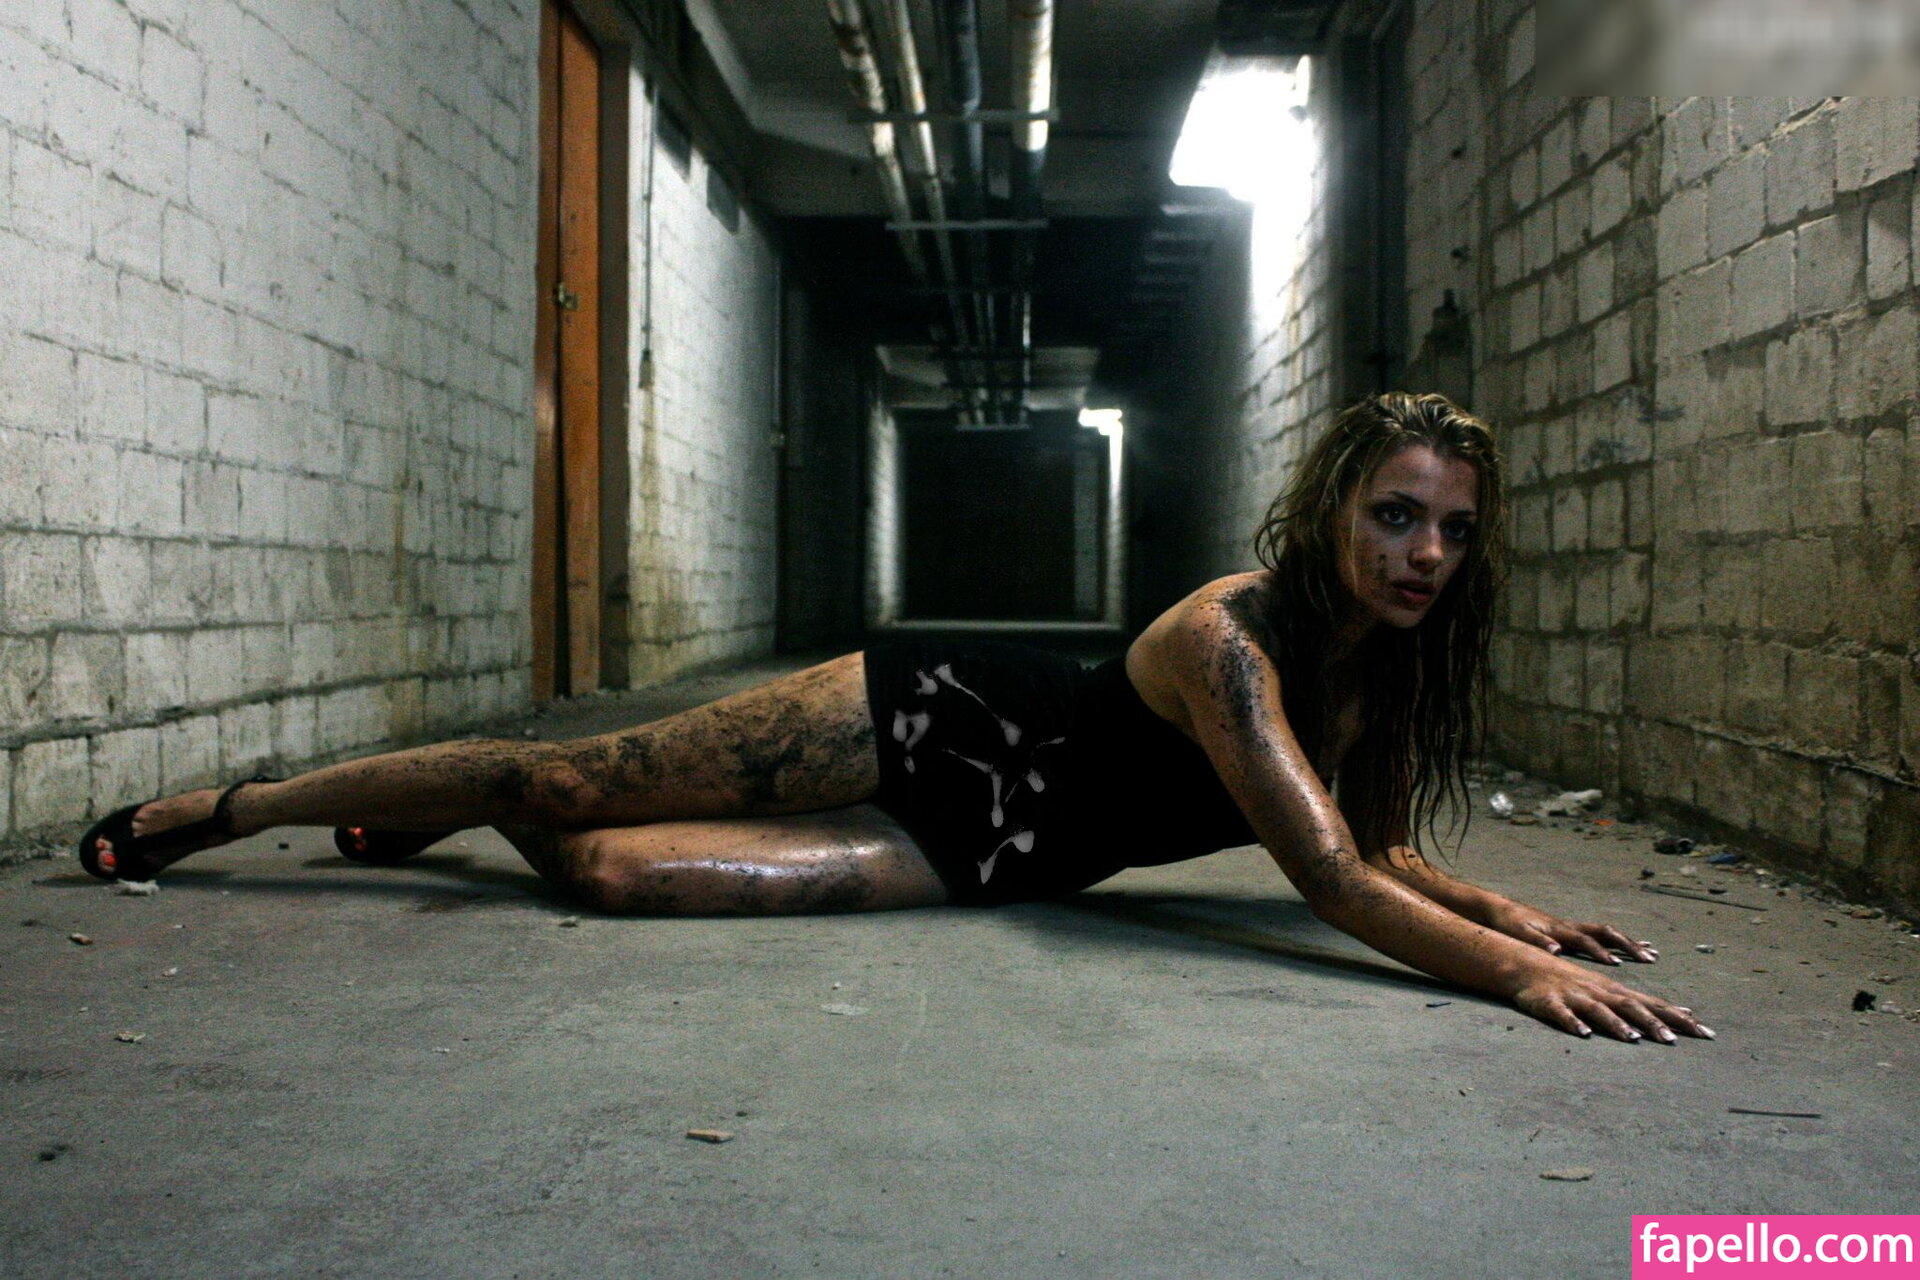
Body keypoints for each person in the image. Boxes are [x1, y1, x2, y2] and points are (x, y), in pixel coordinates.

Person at [78, 392, 1711, 1044]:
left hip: (1000, 855)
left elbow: (1377, 842)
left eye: (1452, 530)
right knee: (567, 773)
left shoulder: (1382, 661)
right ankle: (234, 810)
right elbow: (1330, 878)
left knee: (615, 874)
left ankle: (454, 816)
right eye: (1396, 515)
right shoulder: (1234, 639)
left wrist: (1501, 903)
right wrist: (1517, 979)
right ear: (1333, 505)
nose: (1424, 554)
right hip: (940, 725)